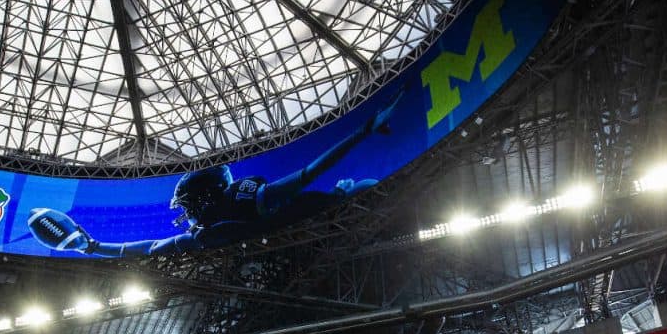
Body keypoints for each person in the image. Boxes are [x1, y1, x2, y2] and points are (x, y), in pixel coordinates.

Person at [28, 92, 403, 258]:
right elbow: (146, 247)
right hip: (302, 241)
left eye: (190, 205)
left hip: (336, 215)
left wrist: (364, 129)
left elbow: (307, 174)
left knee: (365, 189)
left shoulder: (247, 203)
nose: (187, 214)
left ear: (207, 197)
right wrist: (90, 245)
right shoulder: (207, 235)